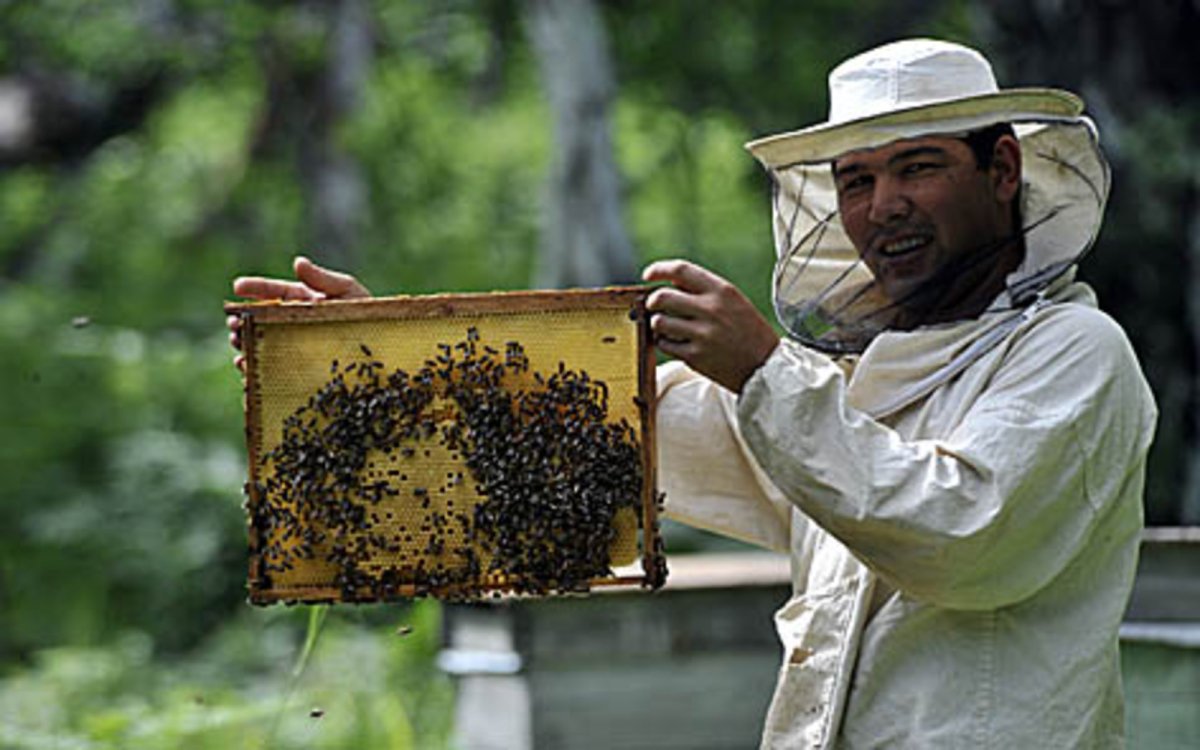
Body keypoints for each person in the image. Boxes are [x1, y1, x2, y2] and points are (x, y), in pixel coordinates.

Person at [229, 38, 1157, 749]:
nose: (884, 206)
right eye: (857, 180)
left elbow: (961, 539)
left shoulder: (1075, 353)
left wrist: (761, 367)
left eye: (919, 167)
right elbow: (605, 433)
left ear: (1001, 172)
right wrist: (384, 370)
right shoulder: (851, 383)